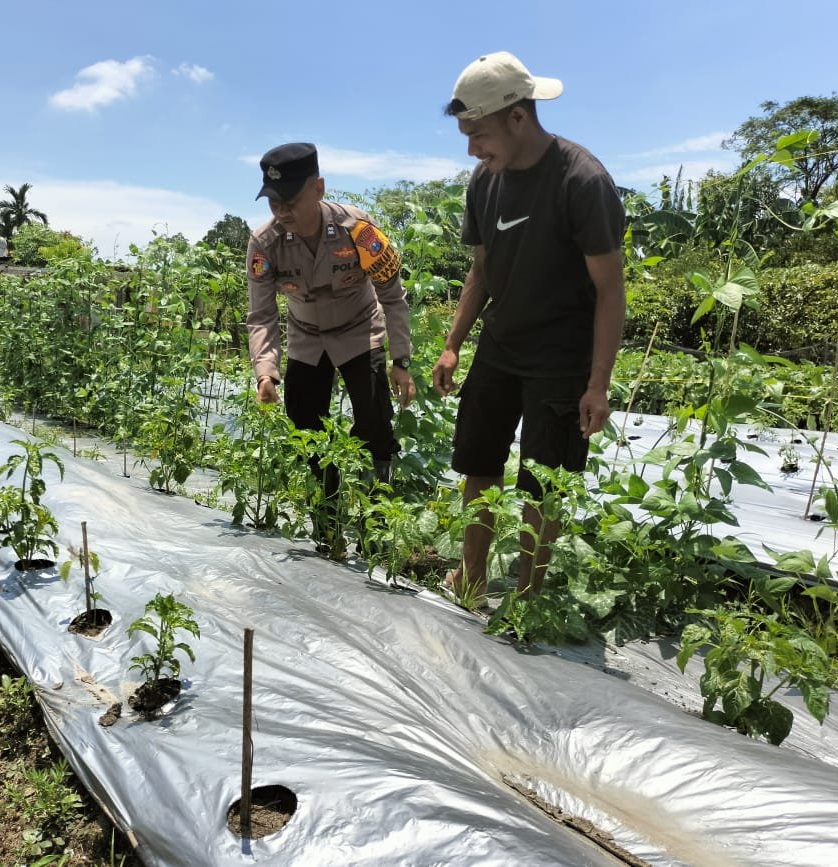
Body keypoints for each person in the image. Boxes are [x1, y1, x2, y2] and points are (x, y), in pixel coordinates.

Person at [433, 52, 626, 601]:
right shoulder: (484, 181)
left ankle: (526, 597)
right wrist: (452, 345)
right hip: (500, 345)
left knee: (543, 485)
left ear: (518, 117)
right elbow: (482, 269)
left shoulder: (582, 181)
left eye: (479, 133)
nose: (472, 148)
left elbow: (611, 292)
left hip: (561, 358)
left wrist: (597, 384)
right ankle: (470, 579)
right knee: (478, 462)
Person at [246, 142, 416, 550]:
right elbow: (262, 315)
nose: (282, 211)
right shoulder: (264, 244)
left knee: (375, 423)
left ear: (318, 188)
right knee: (305, 425)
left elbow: (392, 296)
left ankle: (377, 527)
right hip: (307, 337)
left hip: (360, 331)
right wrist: (265, 371)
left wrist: (400, 360)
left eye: (291, 200)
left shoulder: (359, 230)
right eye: (273, 202)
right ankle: (328, 520)